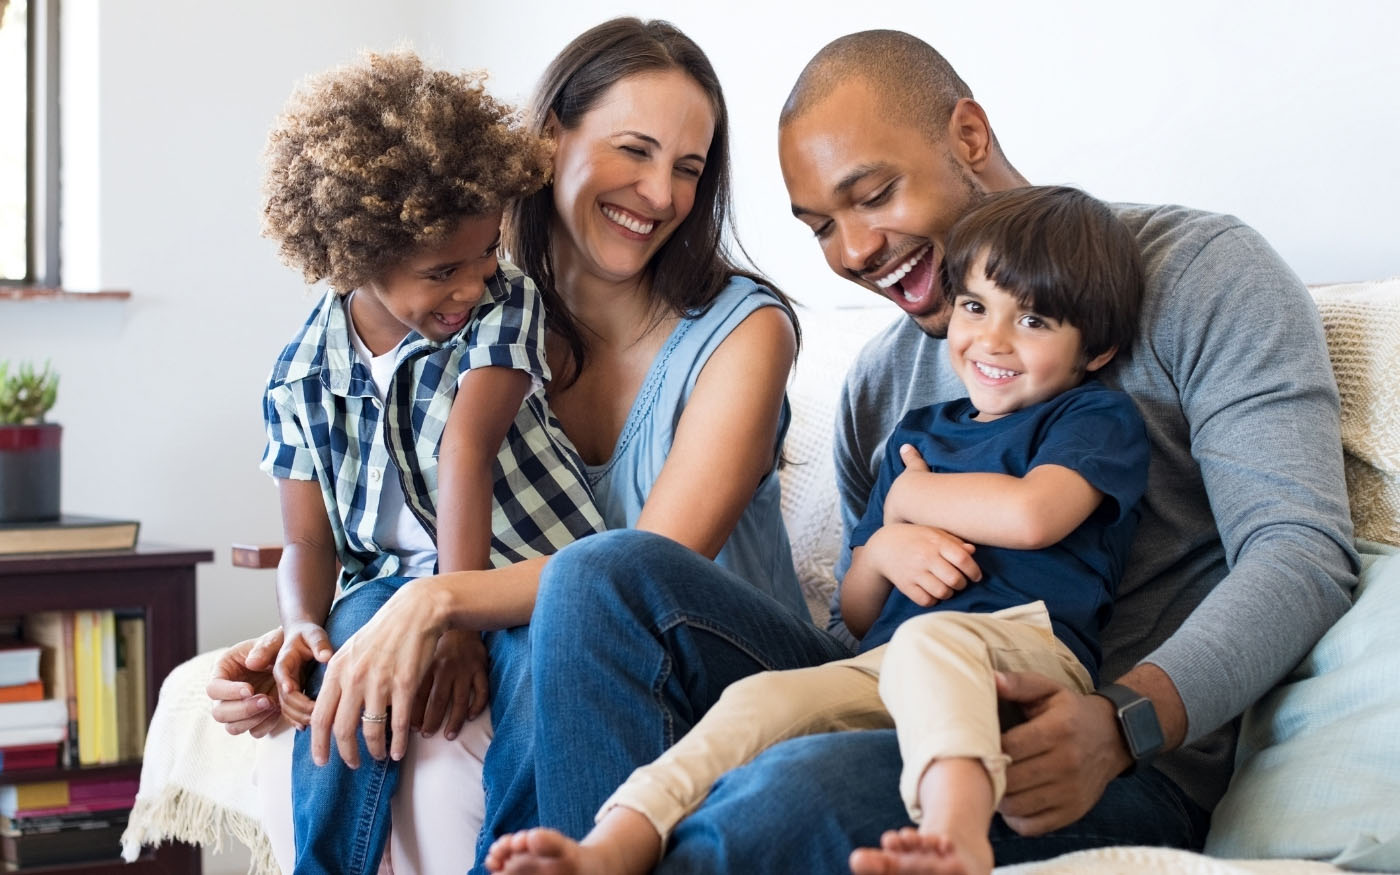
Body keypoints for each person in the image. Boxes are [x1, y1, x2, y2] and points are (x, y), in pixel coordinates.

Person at [505, 27, 1358, 873]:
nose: (854, 252)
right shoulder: (881, 385)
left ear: (969, 137)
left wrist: (1124, 722)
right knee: (598, 575)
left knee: (790, 791)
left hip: (1094, 752)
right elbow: (861, 624)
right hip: (902, 692)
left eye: (872, 195)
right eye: (820, 229)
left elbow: (1299, 552)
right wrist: (884, 549)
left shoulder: (1201, 273)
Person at [208, 17, 832, 874]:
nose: (660, 194)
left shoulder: (742, 334)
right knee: (376, 688)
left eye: (688, 169)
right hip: (552, 644)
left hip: (705, 668)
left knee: (552, 624)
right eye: (634, 151)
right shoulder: (467, 302)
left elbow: (643, 570)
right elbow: (363, 516)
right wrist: (305, 636)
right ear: (547, 142)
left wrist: (439, 601)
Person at [486, 184, 1150, 875]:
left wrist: (913, 497)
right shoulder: (918, 434)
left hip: (1026, 658)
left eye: (1035, 321)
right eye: (976, 306)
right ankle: (613, 843)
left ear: (1095, 349)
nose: (992, 339)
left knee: (932, 638)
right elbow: (859, 611)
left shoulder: (1091, 419)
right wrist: (887, 542)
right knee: (759, 699)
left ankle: (957, 837)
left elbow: (1032, 514)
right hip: (886, 664)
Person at [255, 51, 605, 874]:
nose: (471, 283)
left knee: (536, 675)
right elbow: (308, 542)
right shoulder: (300, 375)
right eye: (441, 271)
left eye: (484, 253)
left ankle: (517, 860)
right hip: (387, 585)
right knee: (348, 657)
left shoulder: (503, 301)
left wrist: (455, 616)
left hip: (526, 568)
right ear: (353, 256)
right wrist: (304, 622)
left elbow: (466, 451)